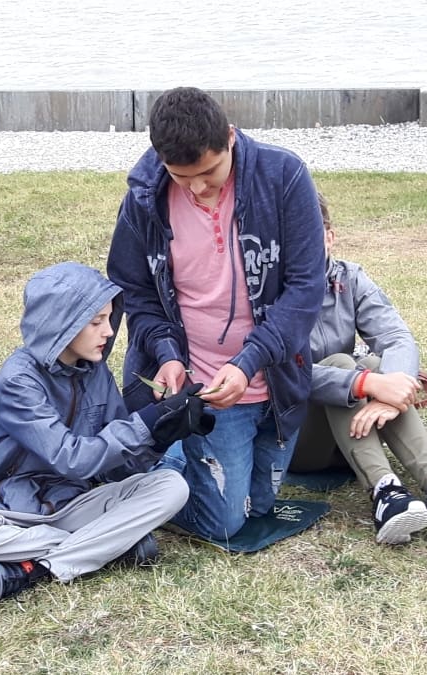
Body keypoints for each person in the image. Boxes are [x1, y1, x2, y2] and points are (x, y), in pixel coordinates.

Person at [107, 86, 326, 542]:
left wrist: (248, 363)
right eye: (181, 177)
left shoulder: (284, 176)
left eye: (209, 172)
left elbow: (306, 289)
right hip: (200, 387)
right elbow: (135, 292)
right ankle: (153, 473)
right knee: (225, 522)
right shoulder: (143, 199)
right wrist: (167, 354)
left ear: (230, 137)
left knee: (259, 504)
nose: (197, 188)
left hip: (278, 379)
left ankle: (167, 458)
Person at [0, 262, 210, 607]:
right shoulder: (17, 381)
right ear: (61, 323)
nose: (109, 331)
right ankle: (108, 545)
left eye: (109, 319)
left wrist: (159, 437)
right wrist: (145, 422)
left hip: (74, 503)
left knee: (171, 485)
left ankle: (32, 568)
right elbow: (71, 459)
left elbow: (116, 471)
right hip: (7, 511)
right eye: (96, 321)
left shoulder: (97, 373)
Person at [288, 196, 427, 544]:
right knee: (346, 367)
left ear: (330, 236)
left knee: (378, 366)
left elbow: (397, 338)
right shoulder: (270, 290)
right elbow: (285, 373)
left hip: (353, 431)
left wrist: (390, 395)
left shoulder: (350, 277)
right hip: (299, 439)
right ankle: (384, 492)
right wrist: (362, 383)